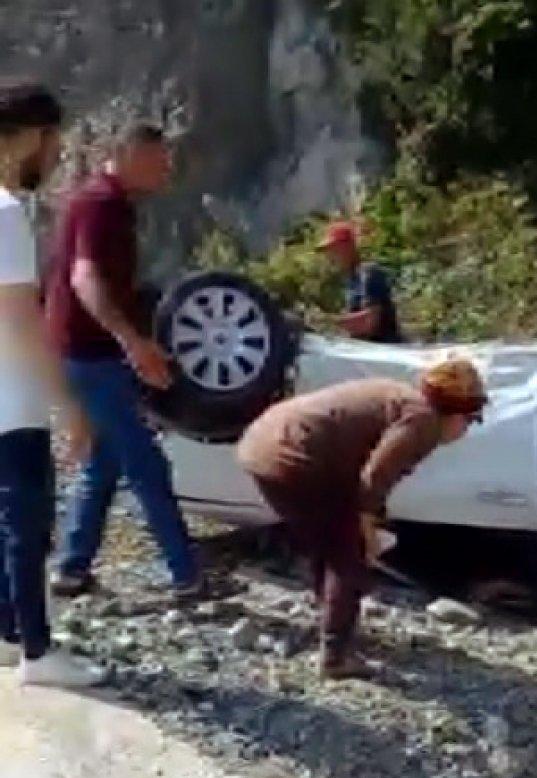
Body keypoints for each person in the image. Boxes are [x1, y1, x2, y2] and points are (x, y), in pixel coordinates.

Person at [237, 359, 487, 679]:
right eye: (471, 420)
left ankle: (332, 619)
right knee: (349, 559)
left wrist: (366, 519)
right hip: (292, 457)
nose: (466, 430)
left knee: (327, 544)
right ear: (457, 414)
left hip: (264, 444)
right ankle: (336, 657)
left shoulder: (401, 397)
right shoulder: (423, 422)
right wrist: (367, 528)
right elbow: (375, 477)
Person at [44, 121, 202, 599]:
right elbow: (84, 277)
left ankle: (71, 568)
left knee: (105, 461)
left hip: (80, 352)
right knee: (145, 464)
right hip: (92, 356)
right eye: (160, 159)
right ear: (131, 153)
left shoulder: (103, 202)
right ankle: (186, 576)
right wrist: (132, 341)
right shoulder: (101, 204)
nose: (166, 170)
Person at [0, 79, 102, 688]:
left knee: (6, 520)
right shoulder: (6, 213)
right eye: (54, 141)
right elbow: (16, 316)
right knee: (28, 523)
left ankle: (9, 635)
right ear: (30, 139)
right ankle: (38, 651)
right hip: (14, 398)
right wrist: (68, 403)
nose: (58, 154)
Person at [318, 220, 403, 344]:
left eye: (334, 249)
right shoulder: (351, 280)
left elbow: (369, 323)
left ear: (347, 247)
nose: (330, 256)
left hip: (384, 353)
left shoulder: (369, 274)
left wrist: (329, 321)